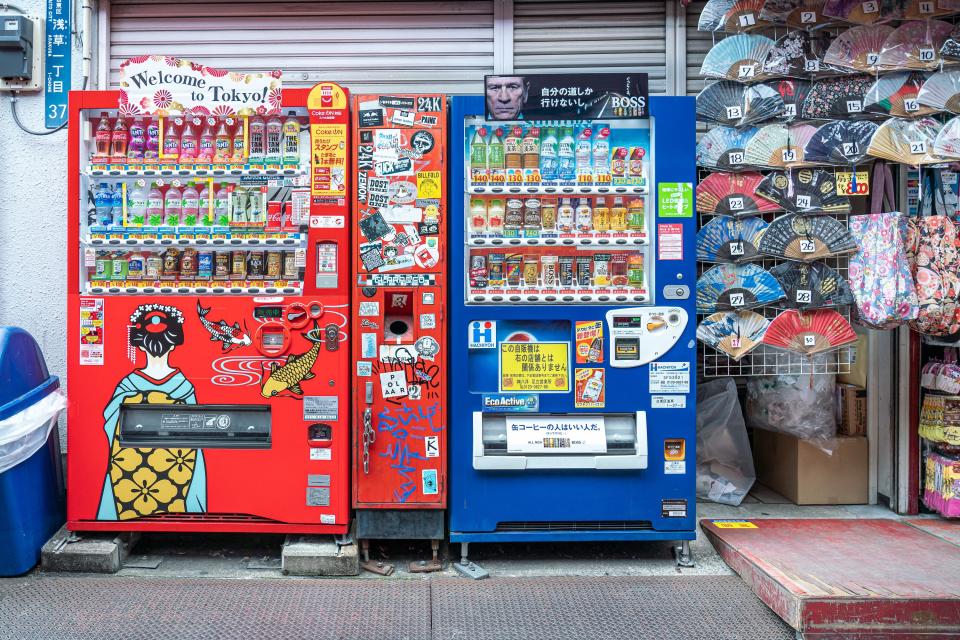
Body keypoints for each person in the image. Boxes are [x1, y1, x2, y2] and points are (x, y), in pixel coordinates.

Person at [97, 304, 206, 520]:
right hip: (177, 470)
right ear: (174, 344)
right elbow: (199, 430)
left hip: (129, 472)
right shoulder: (184, 386)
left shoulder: (127, 385)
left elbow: (109, 419)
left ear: (139, 345)